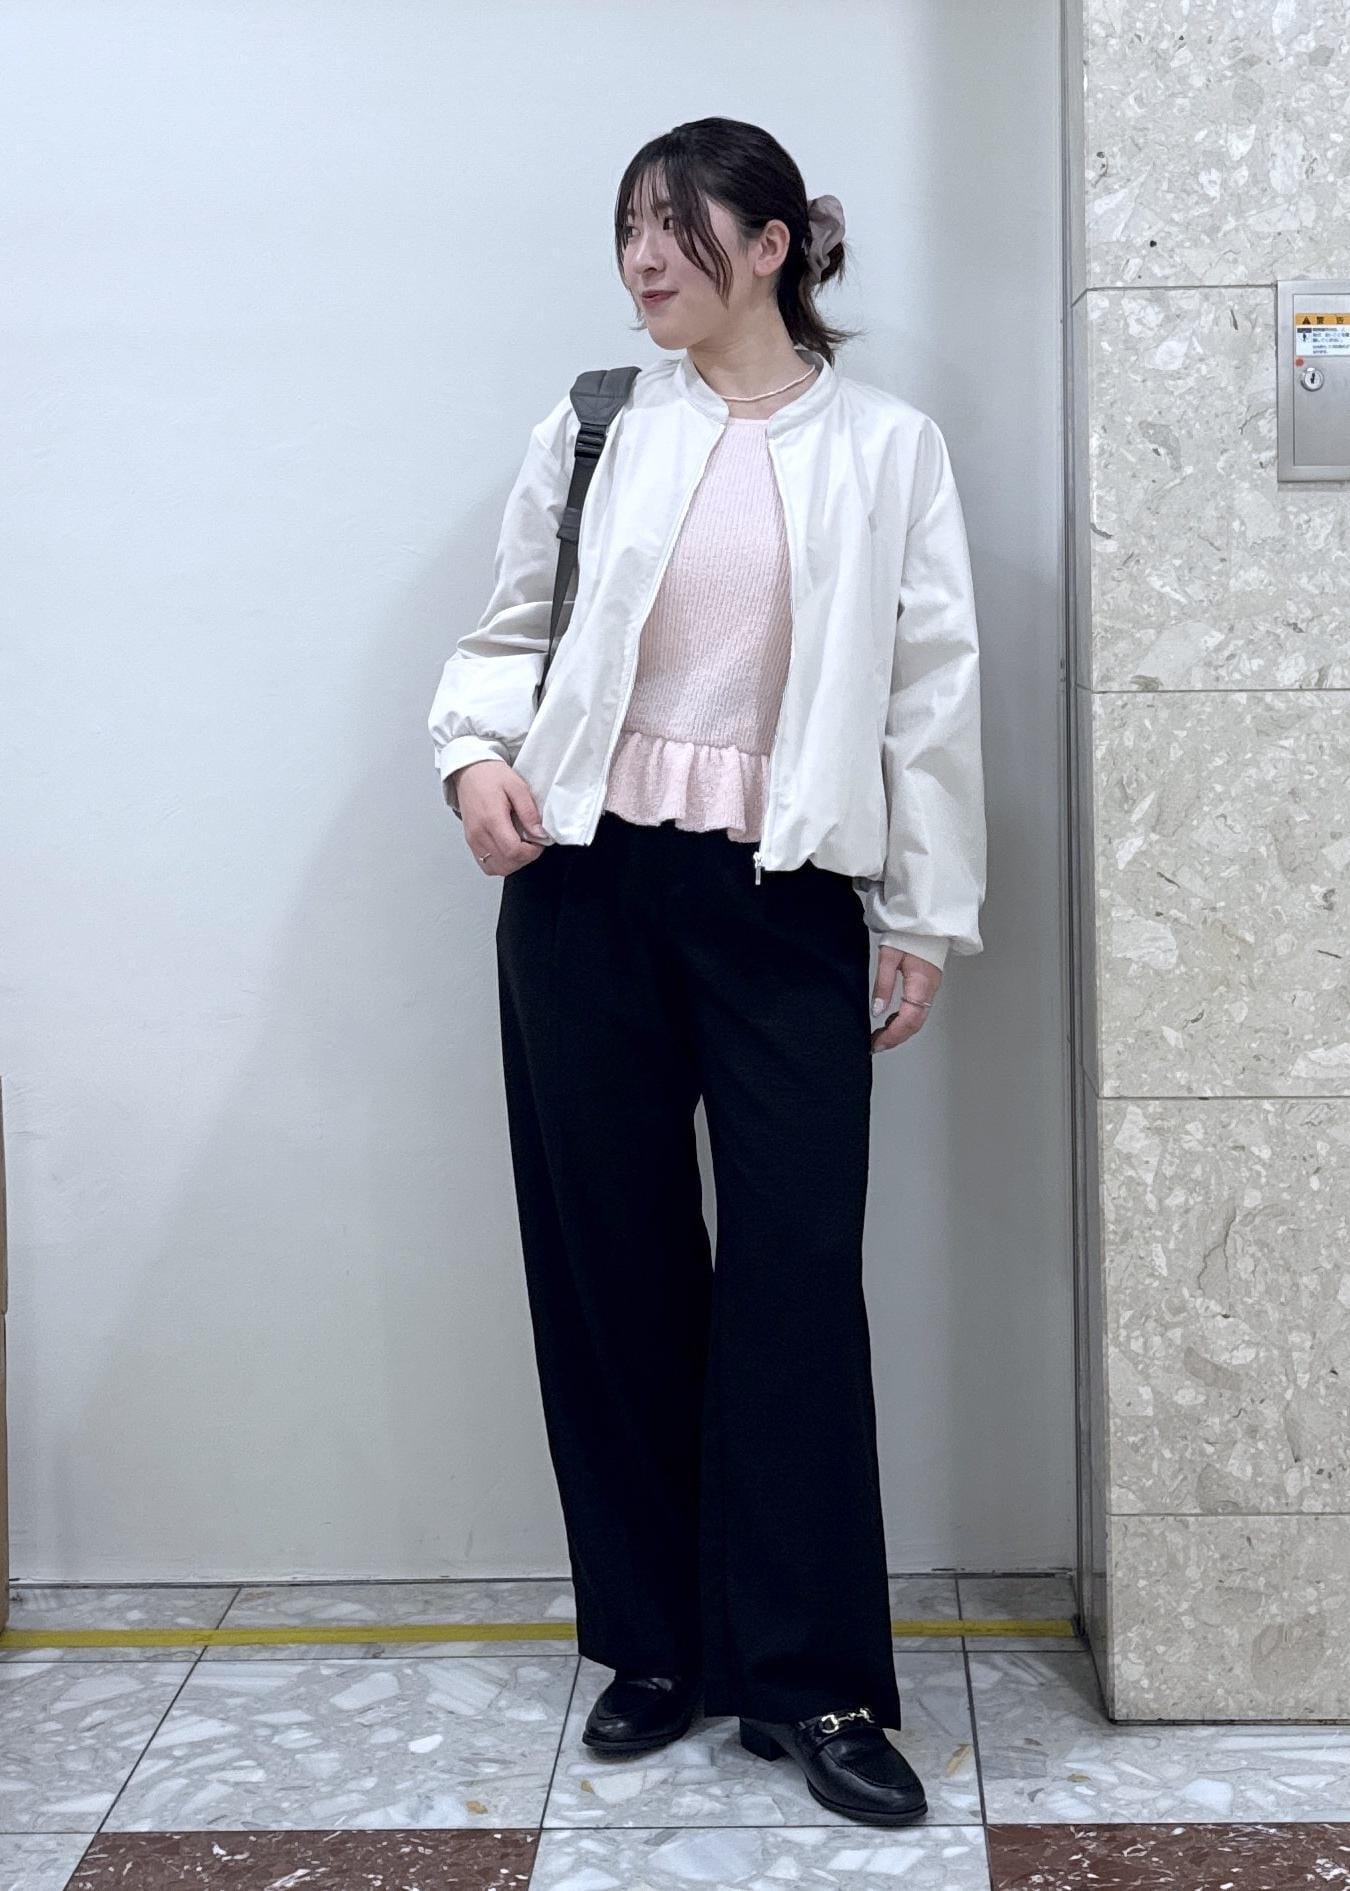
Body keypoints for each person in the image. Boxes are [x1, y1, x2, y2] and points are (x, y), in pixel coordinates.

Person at [427, 117, 986, 1830]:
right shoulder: (596, 422)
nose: (641, 260)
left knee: (795, 1280)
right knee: (612, 1270)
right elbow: (509, 631)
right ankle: (656, 1646)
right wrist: (472, 759)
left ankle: (813, 1678)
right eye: (625, 231)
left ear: (770, 246)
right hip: (582, 886)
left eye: (674, 229)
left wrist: (920, 915)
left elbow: (929, 693)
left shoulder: (885, 447)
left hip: (783, 898)